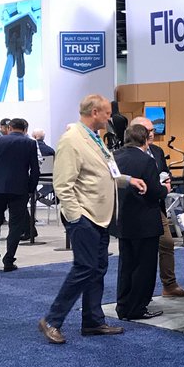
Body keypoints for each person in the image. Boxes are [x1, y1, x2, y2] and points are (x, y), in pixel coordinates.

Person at [39, 95, 147, 344]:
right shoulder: (72, 140)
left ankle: (93, 321)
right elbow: (62, 185)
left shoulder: (96, 139)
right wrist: (76, 217)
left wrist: (128, 180)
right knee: (84, 268)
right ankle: (52, 320)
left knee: (97, 268)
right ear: (95, 112)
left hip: (100, 217)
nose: (110, 118)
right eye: (107, 113)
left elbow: (107, 173)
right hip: (84, 216)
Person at [129, 116, 184, 298]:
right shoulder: (128, 154)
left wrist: (166, 181)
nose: (151, 134)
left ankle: (169, 285)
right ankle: (138, 294)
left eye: (152, 130)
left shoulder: (157, 151)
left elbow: (164, 172)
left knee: (166, 243)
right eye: (147, 131)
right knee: (140, 251)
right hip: (137, 209)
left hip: (157, 206)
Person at [113, 124, 167, 320]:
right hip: (145, 221)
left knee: (126, 265)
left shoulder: (115, 157)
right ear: (145, 139)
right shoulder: (146, 160)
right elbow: (154, 191)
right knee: (144, 267)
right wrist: (166, 189)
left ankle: (123, 306)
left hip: (123, 219)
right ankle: (137, 307)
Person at [0, 117, 39, 272]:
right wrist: (30, 188)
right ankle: (9, 260)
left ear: (9, 128)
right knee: (16, 225)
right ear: (25, 130)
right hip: (19, 189)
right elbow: (35, 170)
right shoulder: (30, 143)